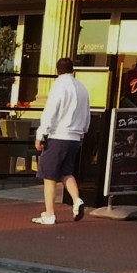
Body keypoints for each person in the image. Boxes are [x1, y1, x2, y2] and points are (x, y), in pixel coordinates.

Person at [33, 57, 91, 225]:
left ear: (57, 70)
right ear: (73, 70)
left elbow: (51, 111)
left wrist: (40, 134)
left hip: (58, 135)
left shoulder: (59, 86)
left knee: (49, 176)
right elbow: (87, 113)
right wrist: (83, 132)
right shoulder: (82, 88)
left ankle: (50, 214)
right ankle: (77, 200)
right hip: (74, 137)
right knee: (66, 172)